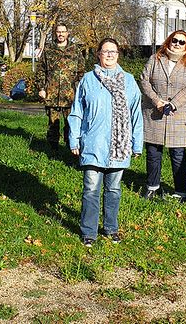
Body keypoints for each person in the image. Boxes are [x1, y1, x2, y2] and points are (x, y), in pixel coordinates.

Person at [68, 38, 143, 247]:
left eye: (113, 51)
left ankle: (111, 228)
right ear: (98, 54)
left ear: (118, 55)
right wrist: (74, 138)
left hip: (119, 147)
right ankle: (89, 232)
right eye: (105, 51)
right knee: (91, 189)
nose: (109, 55)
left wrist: (137, 143)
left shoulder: (128, 81)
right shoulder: (88, 79)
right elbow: (77, 112)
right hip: (93, 143)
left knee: (114, 190)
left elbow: (136, 113)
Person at [138, 30, 186, 201]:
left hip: (178, 115)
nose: (177, 44)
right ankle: (152, 186)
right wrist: (157, 101)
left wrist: (173, 104)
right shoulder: (155, 58)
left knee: (178, 154)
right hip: (154, 112)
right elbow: (144, 80)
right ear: (168, 41)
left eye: (182, 42)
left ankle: (181, 191)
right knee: (153, 153)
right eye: (175, 40)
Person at [36, 23, 84, 152]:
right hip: (51, 94)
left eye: (63, 32)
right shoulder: (48, 49)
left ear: (68, 33)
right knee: (53, 124)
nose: (61, 34)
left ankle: (70, 149)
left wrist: (79, 90)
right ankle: (53, 151)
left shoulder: (75, 50)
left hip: (70, 96)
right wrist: (41, 88)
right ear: (55, 33)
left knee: (71, 124)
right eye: (58, 32)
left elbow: (81, 72)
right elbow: (41, 70)